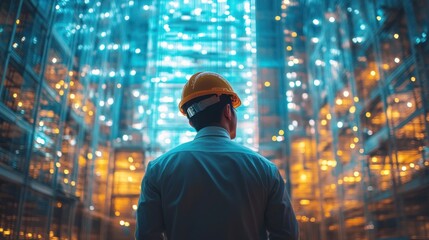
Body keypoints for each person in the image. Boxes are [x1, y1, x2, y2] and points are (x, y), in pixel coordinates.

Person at [135, 71, 299, 240]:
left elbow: (146, 235)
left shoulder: (158, 169)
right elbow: (287, 235)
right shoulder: (265, 169)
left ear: (191, 121)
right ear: (228, 111)